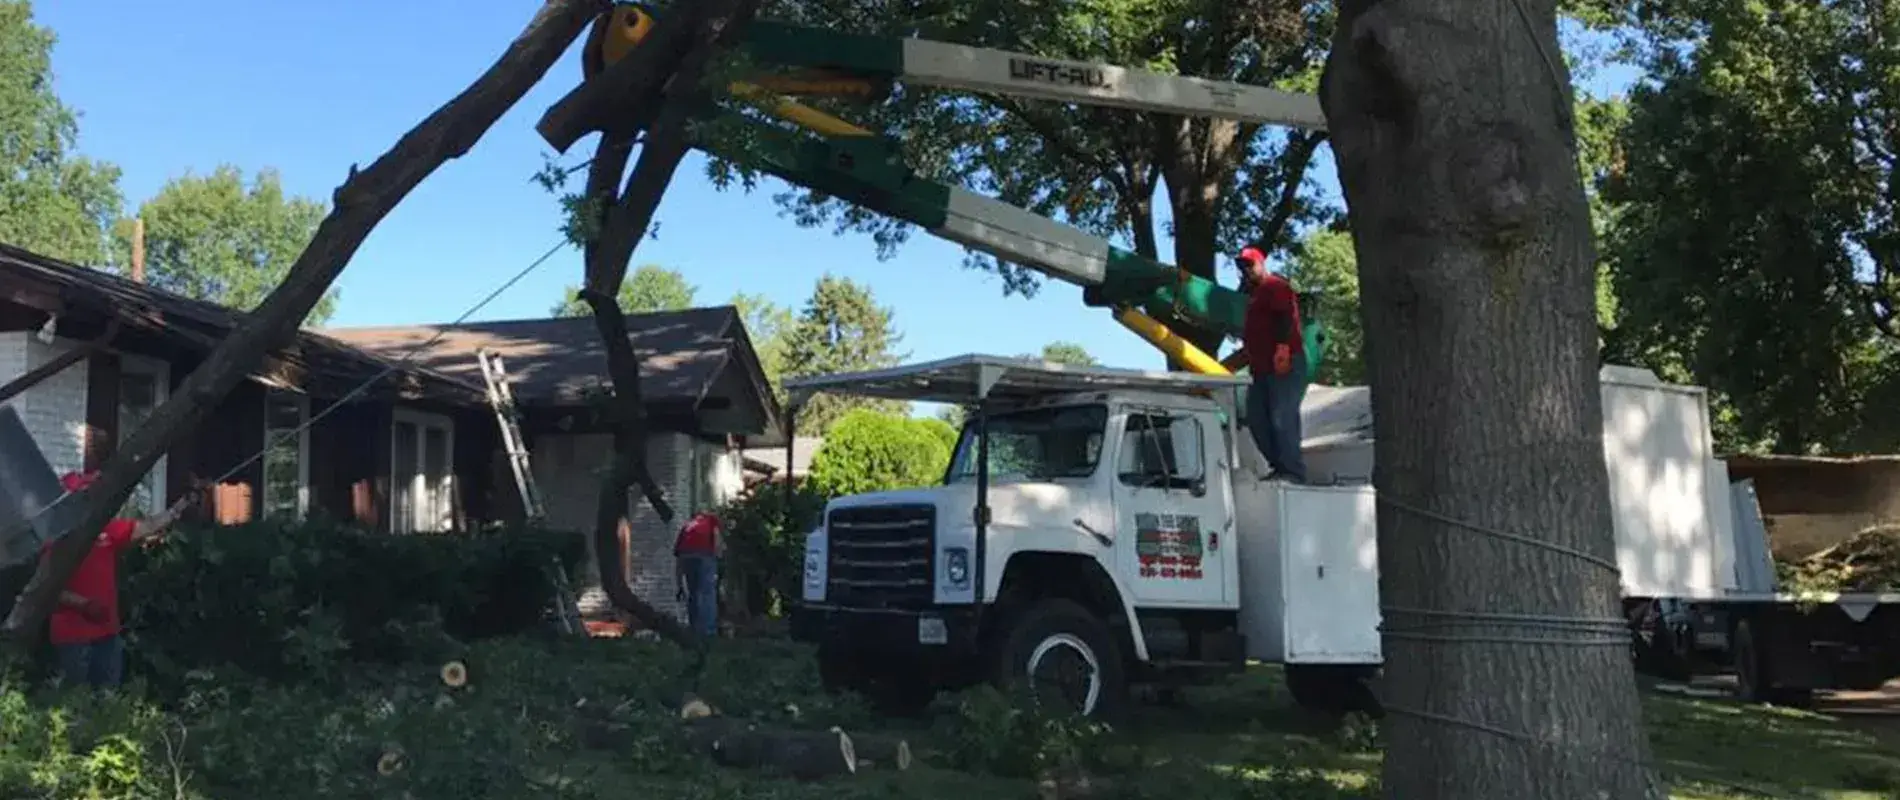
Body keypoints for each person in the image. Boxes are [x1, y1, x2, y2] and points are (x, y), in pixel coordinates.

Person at [43, 470, 192, 689]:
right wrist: (84, 604)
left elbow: (147, 527)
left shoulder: (106, 529)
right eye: (85, 494)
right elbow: (47, 588)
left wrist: (179, 507)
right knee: (75, 703)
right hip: (73, 637)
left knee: (108, 702)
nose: (92, 499)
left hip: (107, 634)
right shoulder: (56, 539)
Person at [1237, 245, 1308, 483]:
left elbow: (1285, 316)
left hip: (1283, 362)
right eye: (1241, 266)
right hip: (1261, 369)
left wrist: (1283, 348)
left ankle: (1292, 471)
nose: (1246, 270)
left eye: (1249, 264)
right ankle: (1279, 466)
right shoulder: (1255, 295)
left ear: (1261, 263)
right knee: (1257, 418)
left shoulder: (1274, 286)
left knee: (1281, 416)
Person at [673, 510, 722, 639]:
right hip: (704, 555)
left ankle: (694, 628)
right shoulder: (711, 520)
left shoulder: (687, 526)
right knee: (707, 593)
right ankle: (708, 631)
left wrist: (679, 585)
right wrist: (717, 557)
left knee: (693, 593)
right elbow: (716, 539)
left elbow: (678, 559)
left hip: (686, 557)